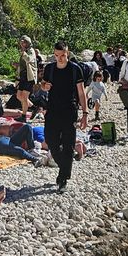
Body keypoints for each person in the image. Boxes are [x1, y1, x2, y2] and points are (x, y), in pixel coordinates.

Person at [41, 40, 88, 190]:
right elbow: (42, 85)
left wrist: (85, 113)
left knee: (68, 145)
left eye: (62, 55)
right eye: (56, 55)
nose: (60, 58)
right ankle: (65, 168)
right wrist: (44, 86)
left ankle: (63, 179)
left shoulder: (75, 69)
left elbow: (81, 93)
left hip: (69, 110)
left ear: (67, 53)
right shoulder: (50, 68)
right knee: (50, 141)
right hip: (52, 110)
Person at [16, 36, 38, 119]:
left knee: (24, 97)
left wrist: (23, 53)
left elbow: (29, 59)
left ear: (27, 43)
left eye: (23, 42)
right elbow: (24, 64)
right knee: (19, 96)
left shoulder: (31, 51)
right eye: (21, 42)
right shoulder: (24, 51)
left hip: (29, 77)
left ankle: (23, 116)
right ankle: (33, 107)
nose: (22, 44)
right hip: (23, 76)